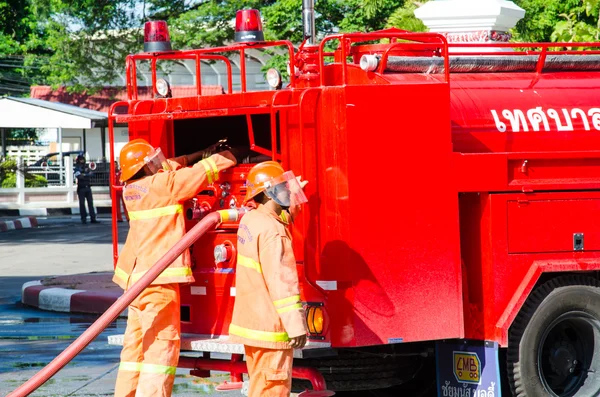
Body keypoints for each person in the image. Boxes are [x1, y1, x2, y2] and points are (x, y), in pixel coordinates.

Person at [113, 138, 245, 397]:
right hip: (158, 282)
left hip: (134, 283)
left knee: (133, 351)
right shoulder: (166, 185)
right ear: (147, 165)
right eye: (153, 161)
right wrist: (234, 153)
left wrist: (198, 151)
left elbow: (173, 165)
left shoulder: (132, 189)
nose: (159, 164)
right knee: (160, 352)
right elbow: (203, 172)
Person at [228, 161, 309, 397]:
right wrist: (296, 327)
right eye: (283, 187)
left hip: (254, 328)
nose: (287, 190)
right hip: (272, 330)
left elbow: (280, 216)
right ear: (269, 192)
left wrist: (293, 196)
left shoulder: (251, 221)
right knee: (272, 390)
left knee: (259, 387)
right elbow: (282, 284)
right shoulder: (274, 233)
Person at [74, 154, 98, 224]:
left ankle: (93, 218)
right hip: (81, 188)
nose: (82, 161)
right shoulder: (77, 168)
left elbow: (92, 174)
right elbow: (79, 176)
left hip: (88, 187)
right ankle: (83, 219)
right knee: (82, 204)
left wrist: (84, 174)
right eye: (81, 159)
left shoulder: (86, 167)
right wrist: (86, 175)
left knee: (90, 203)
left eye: (83, 159)